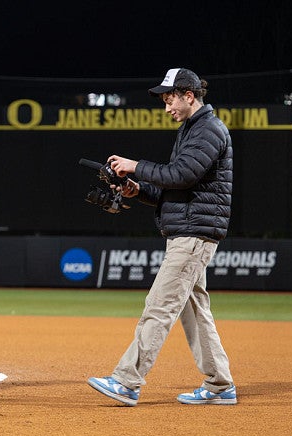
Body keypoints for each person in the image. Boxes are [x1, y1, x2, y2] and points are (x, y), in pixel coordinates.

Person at [87, 68, 236, 406]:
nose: (167, 106)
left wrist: (134, 165)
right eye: (166, 101)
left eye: (170, 99)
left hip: (194, 235)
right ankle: (220, 385)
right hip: (189, 230)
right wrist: (137, 189)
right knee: (195, 312)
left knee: (159, 306)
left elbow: (181, 175)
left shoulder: (208, 129)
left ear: (189, 95)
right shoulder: (192, 130)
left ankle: (126, 382)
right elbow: (175, 186)